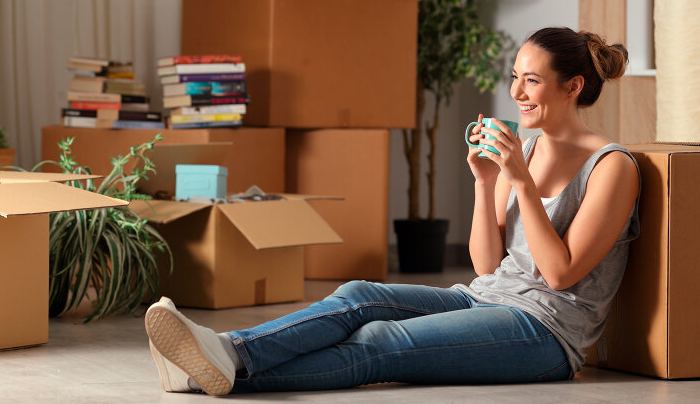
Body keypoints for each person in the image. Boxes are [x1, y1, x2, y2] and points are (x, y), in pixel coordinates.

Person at [143, 27, 641, 396]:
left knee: (380, 341)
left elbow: (557, 274)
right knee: (360, 296)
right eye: (514, 78)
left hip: (546, 333)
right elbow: (486, 266)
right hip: (486, 297)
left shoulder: (611, 167)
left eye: (531, 81)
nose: (515, 94)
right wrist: (484, 182)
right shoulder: (528, 151)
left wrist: (519, 183)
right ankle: (225, 352)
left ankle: (206, 371)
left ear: (573, 87)